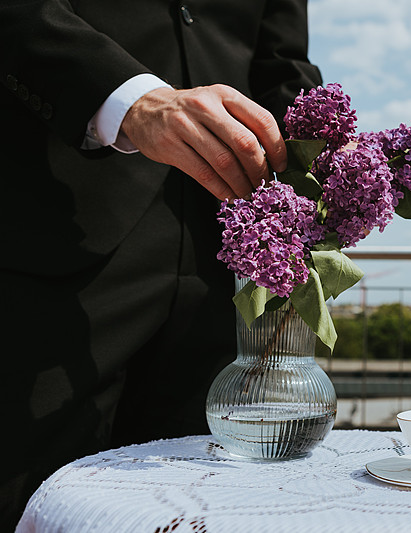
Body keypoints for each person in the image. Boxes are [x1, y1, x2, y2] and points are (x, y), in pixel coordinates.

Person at [0, 0, 322, 527]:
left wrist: (329, 157)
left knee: (211, 508)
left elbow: (281, 60)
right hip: (50, 238)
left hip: (227, 261)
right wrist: (126, 96)